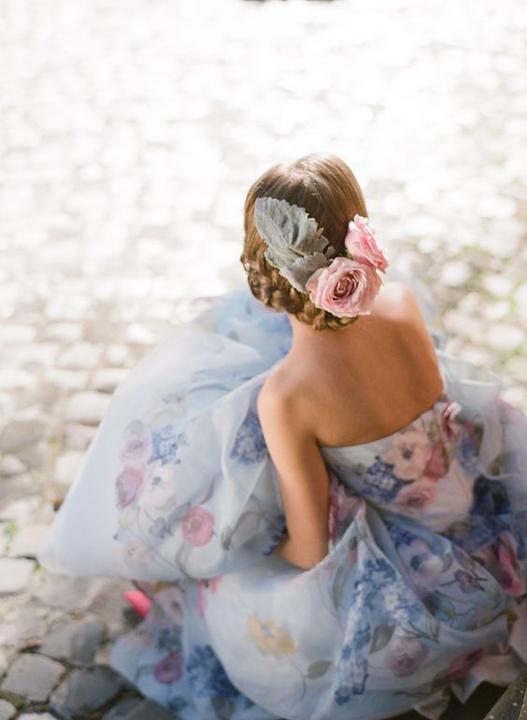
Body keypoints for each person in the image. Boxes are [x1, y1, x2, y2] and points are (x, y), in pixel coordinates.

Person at [40, 152, 527, 720]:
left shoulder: (287, 396)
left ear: (262, 269)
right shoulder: (401, 303)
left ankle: (178, 601)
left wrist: (251, 546)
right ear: (360, 232)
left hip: (411, 585)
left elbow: (310, 549)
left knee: (218, 560)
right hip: (473, 516)